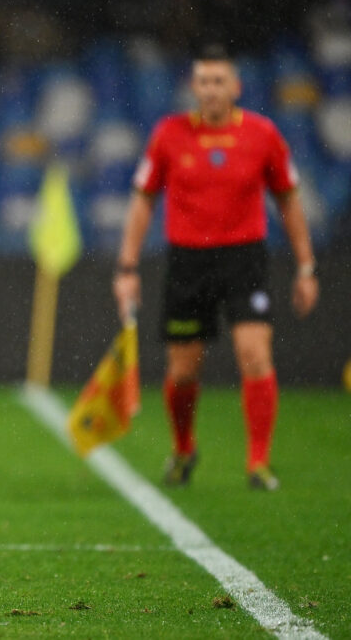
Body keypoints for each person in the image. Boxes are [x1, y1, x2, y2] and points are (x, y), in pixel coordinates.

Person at [113, 44, 319, 491]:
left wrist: (306, 267)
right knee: (184, 371)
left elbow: (288, 199)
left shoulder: (263, 135)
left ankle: (258, 463)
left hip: (245, 259)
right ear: (194, 87)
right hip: (188, 261)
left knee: (255, 355)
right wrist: (127, 268)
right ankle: (184, 449)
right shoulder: (169, 134)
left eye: (219, 81)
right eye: (203, 81)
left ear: (236, 87)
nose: (210, 90)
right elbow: (143, 201)